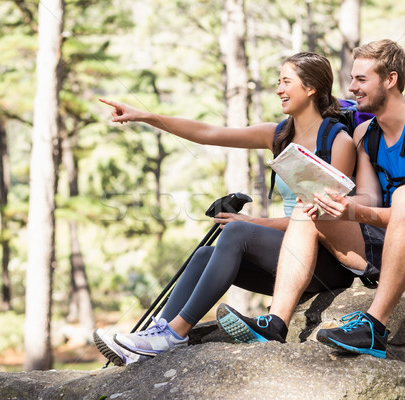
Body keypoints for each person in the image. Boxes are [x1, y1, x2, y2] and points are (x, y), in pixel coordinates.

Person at [216, 39, 405, 359]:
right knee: (310, 204)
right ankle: (276, 323)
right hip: (389, 246)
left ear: (390, 79)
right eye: (352, 78)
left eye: (361, 79)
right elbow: (370, 197)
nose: (351, 88)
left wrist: (358, 213)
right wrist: (339, 205)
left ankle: (374, 328)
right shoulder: (365, 134)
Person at [93, 52, 357, 366]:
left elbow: (322, 220)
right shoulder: (280, 135)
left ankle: (175, 334)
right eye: (278, 82)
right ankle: (153, 338)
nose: (278, 90)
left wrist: (254, 222)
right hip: (286, 256)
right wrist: (144, 116)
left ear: (311, 87)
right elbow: (208, 134)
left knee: (238, 231)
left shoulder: (339, 144)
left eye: (286, 82)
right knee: (205, 254)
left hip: (323, 263)